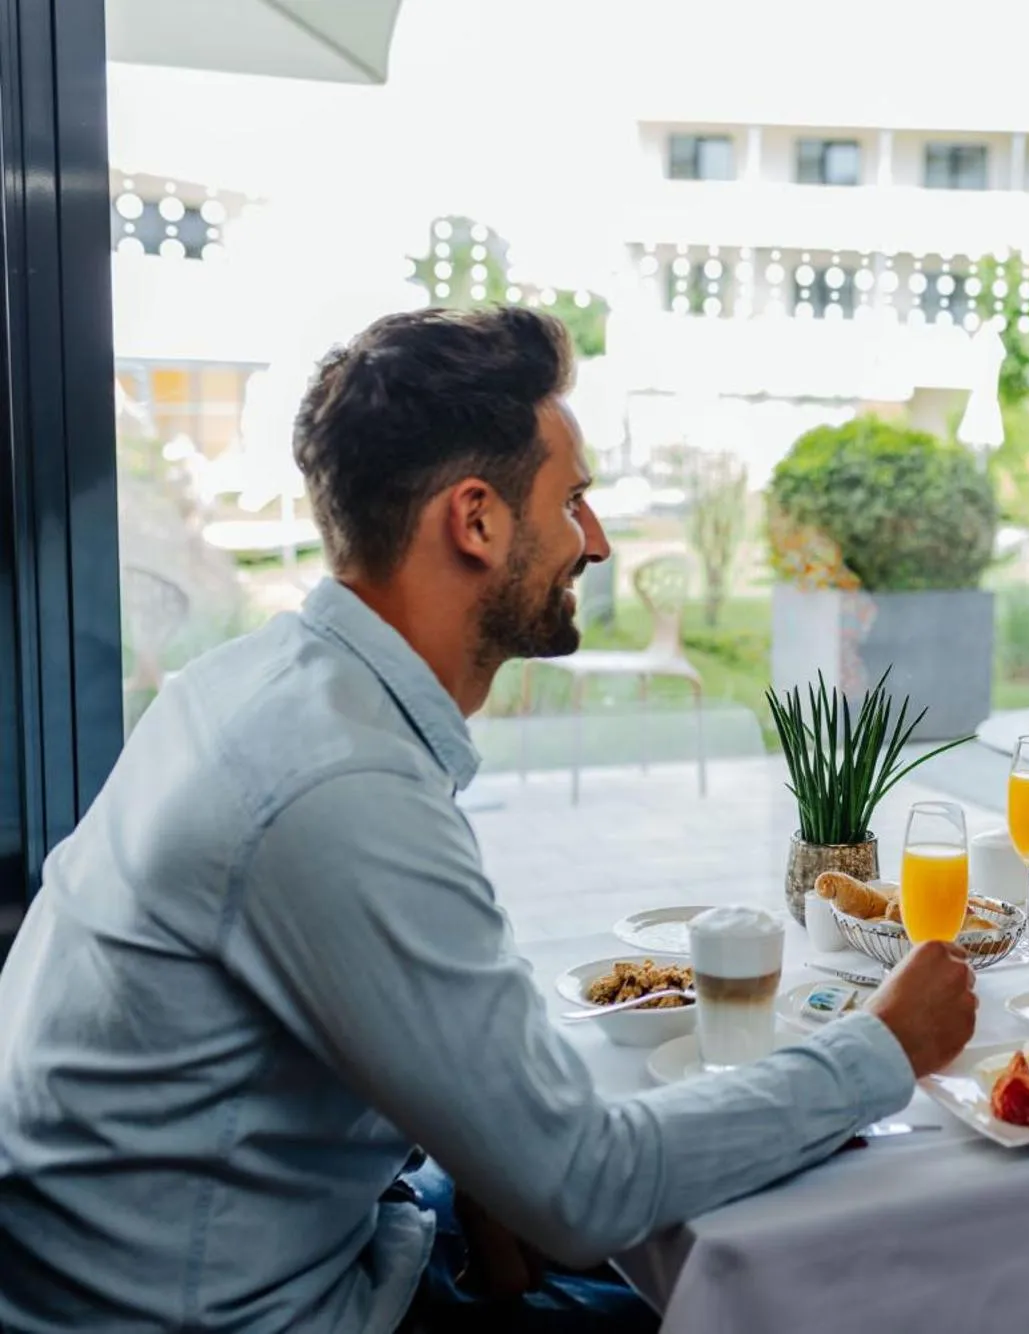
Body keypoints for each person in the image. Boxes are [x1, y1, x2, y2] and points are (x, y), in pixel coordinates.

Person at [0, 306, 979, 1333]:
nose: (593, 542)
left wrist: (475, 1149)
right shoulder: (337, 783)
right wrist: (880, 1047)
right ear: (476, 520)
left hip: (241, 1255)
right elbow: (583, 1183)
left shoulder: (249, 688)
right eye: (574, 501)